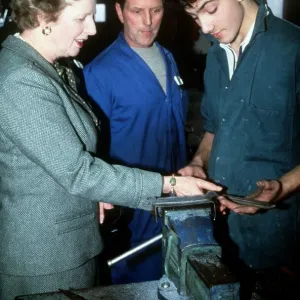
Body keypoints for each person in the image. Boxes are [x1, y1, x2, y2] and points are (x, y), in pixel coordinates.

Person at [0, 0, 223, 299]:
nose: (92, 29)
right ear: (43, 17)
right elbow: (78, 172)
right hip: (46, 258)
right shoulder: (21, 79)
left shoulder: (49, 66)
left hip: (72, 242)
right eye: (82, 18)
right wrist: (169, 184)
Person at [177, 0, 300, 297]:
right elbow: (215, 127)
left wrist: (283, 187)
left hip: (277, 244)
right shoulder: (217, 53)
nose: (204, 27)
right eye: (195, 17)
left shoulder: (293, 47)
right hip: (221, 234)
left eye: (210, 9)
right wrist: (199, 161)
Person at [83, 0, 188, 284]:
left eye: (156, 11)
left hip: (176, 197)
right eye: (137, 11)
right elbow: (88, 154)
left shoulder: (169, 58)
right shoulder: (99, 73)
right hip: (131, 208)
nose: (148, 21)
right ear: (119, 12)